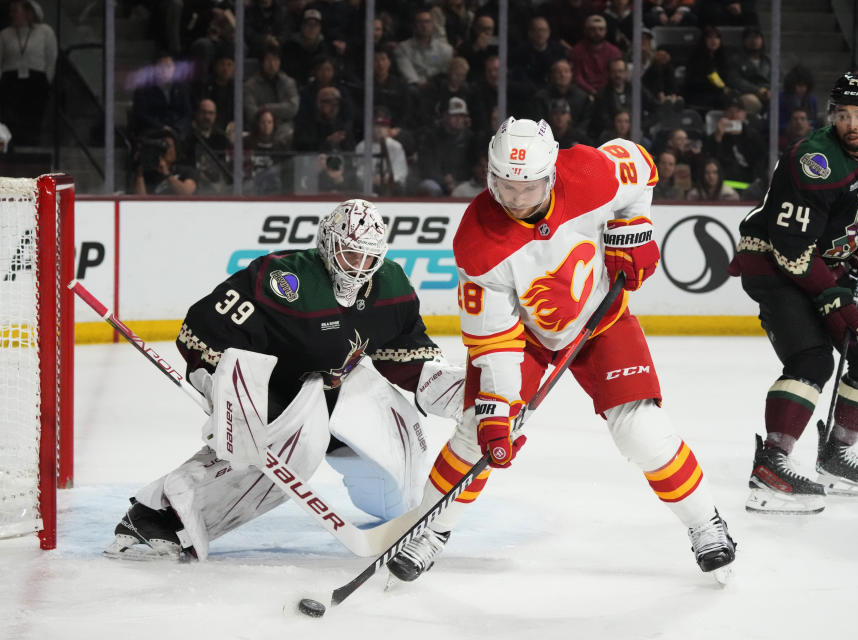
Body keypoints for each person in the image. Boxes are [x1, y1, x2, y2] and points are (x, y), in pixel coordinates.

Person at [385, 117, 737, 583]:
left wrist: (637, 229)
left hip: (602, 322)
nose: (513, 199)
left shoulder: (591, 173)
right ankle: (430, 530)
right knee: (477, 431)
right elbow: (496, 342)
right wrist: (497, 412)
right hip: (525, 338)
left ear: (551, 175)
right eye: (504, 185)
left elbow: (643, 170)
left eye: (527, 188)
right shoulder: (478, 241)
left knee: (642, 431)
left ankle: (705, 523)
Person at [104, 199, 465, 560]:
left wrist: (460, 392)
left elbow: (407, 352)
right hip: (277, 390)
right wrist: (225, 391)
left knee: (401, 486)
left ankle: (402, 506)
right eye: (350, 255)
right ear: (328, 243)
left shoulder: (392, 287)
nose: (359, 268)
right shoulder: (284, 279)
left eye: (369, 259)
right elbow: (201, 330)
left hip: (336, 386)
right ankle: (156, 515)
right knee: (296, 449)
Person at [727, 71, 858, 514]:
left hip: (821, 264)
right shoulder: (814, 160)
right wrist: (833, 296)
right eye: (844, 114)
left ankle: (836, 454)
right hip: (772, 264)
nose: (852, 124)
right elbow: (791, 249)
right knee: (812, 359)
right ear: (833, 116)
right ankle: (771, 464)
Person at [0, 0, 57, 145]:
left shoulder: (45, 31)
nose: (12, 14)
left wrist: (46, 80)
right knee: (11, 117)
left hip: (35, 80)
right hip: (11, 80)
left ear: (27, 12)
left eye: (16, 11)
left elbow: (51, 58)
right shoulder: (5, 34)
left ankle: (31, 145)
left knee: (33, 117)